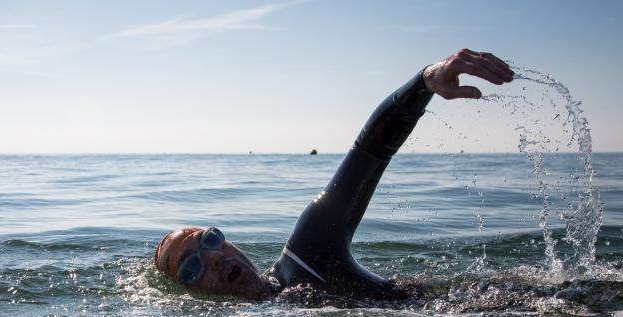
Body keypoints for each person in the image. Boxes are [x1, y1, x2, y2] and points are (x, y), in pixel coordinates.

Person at [154, 49, 515, 299]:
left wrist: (424, 82)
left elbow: (370, 152)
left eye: (210, 239)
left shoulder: (308, 255)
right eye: (191, 267)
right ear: (191, 292)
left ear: (229, 241)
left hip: (500, 308)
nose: (214, 257)